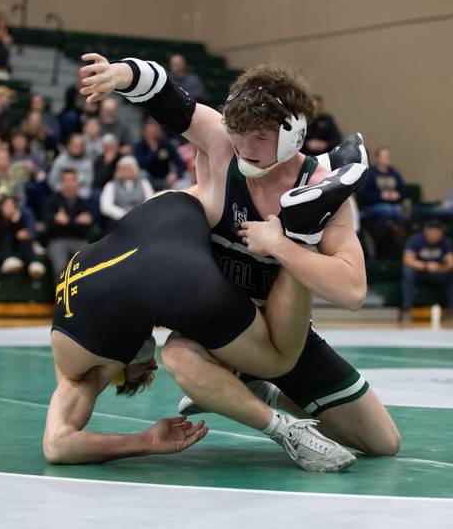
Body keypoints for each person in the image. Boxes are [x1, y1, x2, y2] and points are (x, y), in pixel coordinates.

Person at [78, 54, 399, 460]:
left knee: (383, 443)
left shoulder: (322, 188)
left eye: (260, 136)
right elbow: (166, 95)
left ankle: (258, 387)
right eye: (240, 132)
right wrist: (118, 74)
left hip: (283, 329)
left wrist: (282, 245)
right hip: (221, 327)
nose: (246, 148)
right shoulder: (223, 146)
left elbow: (352, 291)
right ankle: (283, 430)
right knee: (177, 354)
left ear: (294, 133)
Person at [44, 187, 355, 470]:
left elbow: (57, 445)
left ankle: (300, 236)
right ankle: (291, 220)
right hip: (164, 211)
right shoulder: (73, 337)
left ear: (119, 371)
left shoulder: (81, 375)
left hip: (174, 272)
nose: (153, 364)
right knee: (209, 185)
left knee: (278, 359)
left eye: (144, 369)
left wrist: (146, 441)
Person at [401, 220, 453, 322]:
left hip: (437, 272)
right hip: (419, 272)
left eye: (437, 233)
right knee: (408, 273)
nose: (434, 235)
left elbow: (452, 263)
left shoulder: (445, 242)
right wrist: (426, 266)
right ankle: (407, 310)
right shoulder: (416, 240)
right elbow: (407, 260)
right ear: (426, 231)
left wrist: (439, 268)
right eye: (432, 232)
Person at [44, 169, 92, 277]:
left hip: (79, 240)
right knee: (60, 268)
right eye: (66, 180)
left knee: (88, 266)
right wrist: (76, 221)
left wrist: (67, 221)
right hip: (57, 240)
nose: (69, 184)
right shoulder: (51, 201)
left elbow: (86, 228)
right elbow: (50, 226)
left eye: (72, 180)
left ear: (77, 182)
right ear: (61, 183)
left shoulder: (83, 203)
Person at [357, 146, 406, 253]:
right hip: (372, 206)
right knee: (386, 209)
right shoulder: (370, 173)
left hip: (393, 205)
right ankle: (384, 236)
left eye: (388, 156)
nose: (387, 159)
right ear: (378, 158)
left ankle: (395, 234)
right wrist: (381, 196)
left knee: (398, 210)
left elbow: (402, 192)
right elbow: (363, 194)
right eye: (384, 156)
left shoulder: (394, 173)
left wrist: (397, 195)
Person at [0, 196, 44, 279]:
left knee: (25, 239)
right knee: (5, 238)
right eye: (6, 206)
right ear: (1, 207)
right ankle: (7, 260)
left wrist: (15, 222)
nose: (9, 209)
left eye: (11, 206)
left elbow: (23, 232)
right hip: (0, 248)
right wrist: (13, 230)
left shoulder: (20, 217)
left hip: (18, 246)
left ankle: (32, 264)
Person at [99, 155, 153, 231]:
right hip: (119, 219)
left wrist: (139, 214)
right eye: (123, 168)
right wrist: (123, 214)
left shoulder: (144, 183)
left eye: (128, 168)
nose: (126, 171)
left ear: (135, 169)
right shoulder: (111, 185)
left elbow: (150, 201)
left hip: (141, 217)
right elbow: (105, 206)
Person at [133, 118, 185, 191]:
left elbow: (180, 164)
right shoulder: (139, 146)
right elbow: (141, 165)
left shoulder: (166, 145)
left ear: (159, 131)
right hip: (148, 179)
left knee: (183, 179)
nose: (151, 135)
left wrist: (175, 174)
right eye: (149, 132)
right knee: (143, 174)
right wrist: (153, 151)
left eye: (154, 132)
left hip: (165, 179)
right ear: (144, 132)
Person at [48, 133, 94, 199]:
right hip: (61, 194)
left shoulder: (87, 163)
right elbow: (52, 181)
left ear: (83, 147)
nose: (76, 148)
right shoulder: (61, 160)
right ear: (69, 145)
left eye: (78, 145)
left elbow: (88, 186)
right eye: (74, 145)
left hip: (80, 197)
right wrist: (65, 191)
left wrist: (75, 193)